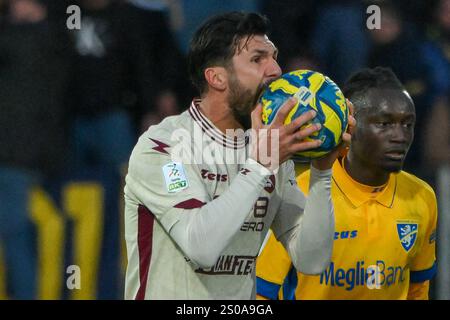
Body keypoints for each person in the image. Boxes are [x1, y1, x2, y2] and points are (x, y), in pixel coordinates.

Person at [123, 11, 354, 299]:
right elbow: (201, 247)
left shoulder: (268, 148)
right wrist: (259, 167)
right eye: (258, 59)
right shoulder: (163, 148)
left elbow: (311, 260)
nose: (276, 71)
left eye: (274, 56)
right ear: (217, 77)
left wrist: (322, 171)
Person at [256, 67, 438, 300]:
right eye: (384, 124)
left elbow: (418, 289)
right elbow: (264, 291)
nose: (400, 136)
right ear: (350, 124)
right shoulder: (300, 192)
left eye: (407, 124)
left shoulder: (422, 196)